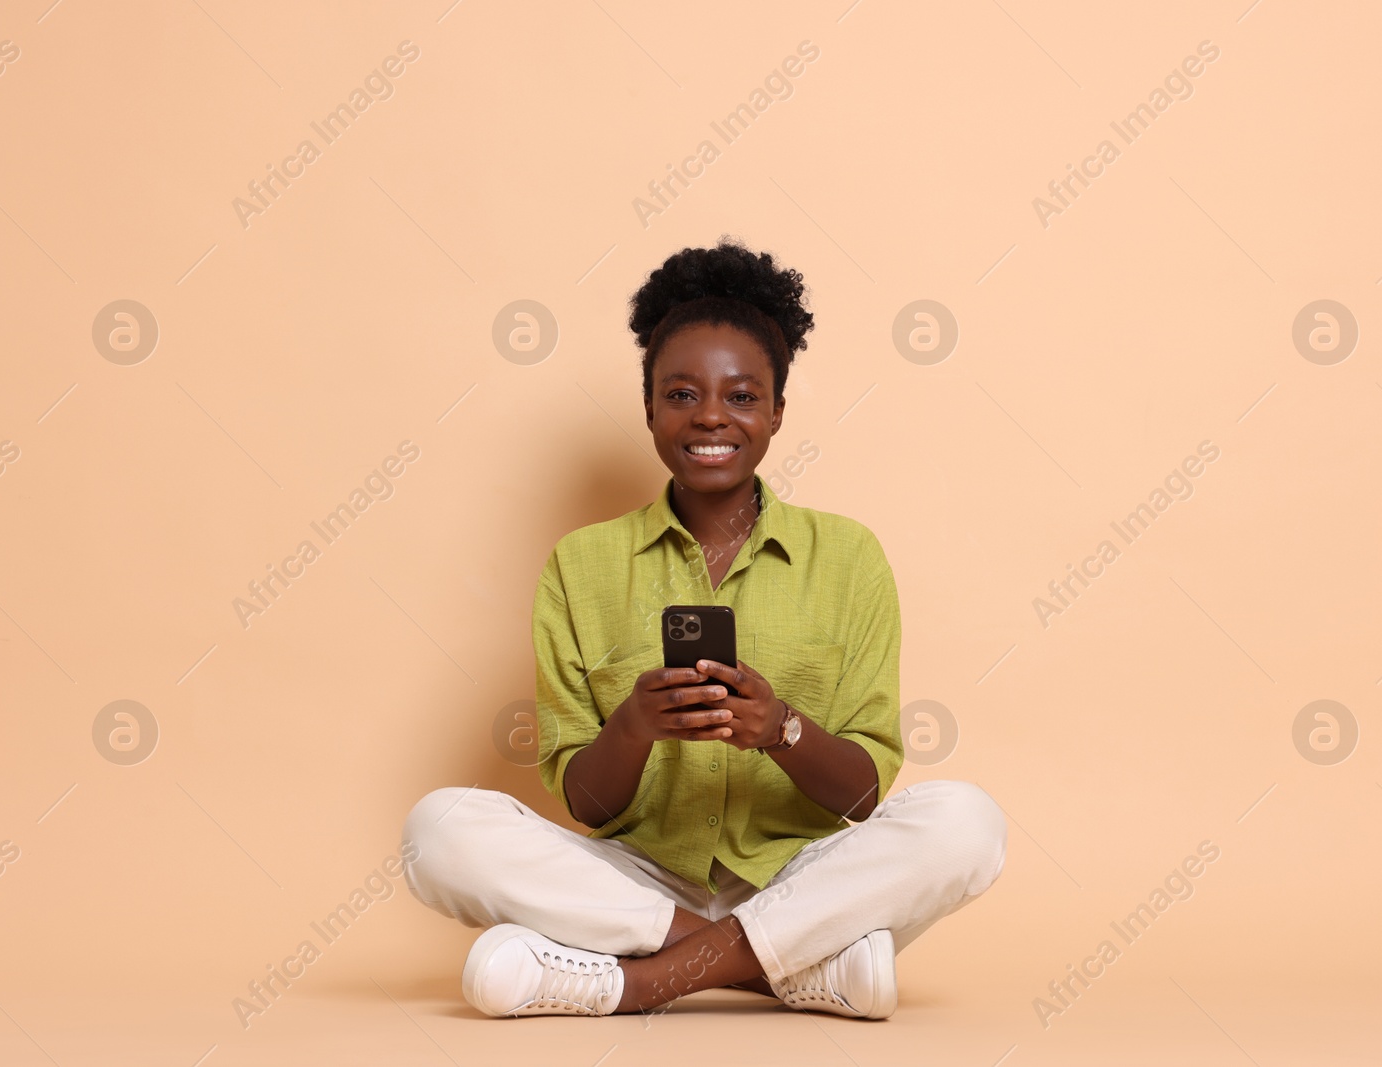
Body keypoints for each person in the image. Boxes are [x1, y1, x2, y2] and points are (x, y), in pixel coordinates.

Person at [402, 238, 1007, 1019]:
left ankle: (642, 981)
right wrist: (632, 726)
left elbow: (863, 795)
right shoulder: (579, 565)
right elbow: (585, 806)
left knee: (966, 821)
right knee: (438, 829)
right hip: (634, 881)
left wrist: (781, 729)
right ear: (648, 406)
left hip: (806, 875)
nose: (711, 416)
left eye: (743, 396)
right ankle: (791, 967)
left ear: (778, 410)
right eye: (681, 394)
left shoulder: (850, 557)